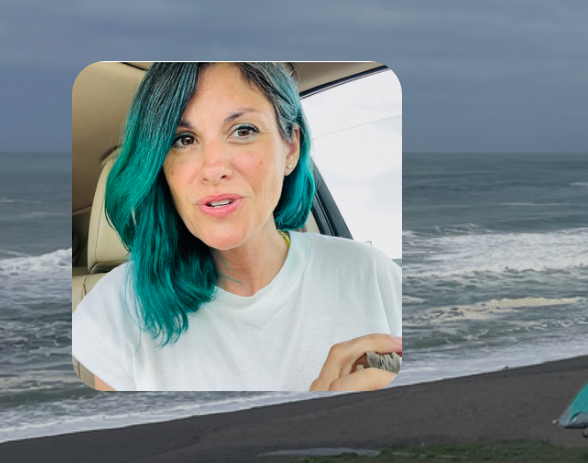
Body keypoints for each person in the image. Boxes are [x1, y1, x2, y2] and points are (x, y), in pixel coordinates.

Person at [71, 62, 402, 391]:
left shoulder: (371, 273)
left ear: (291, 148)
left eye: (243, 131)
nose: (213, 168)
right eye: (184, 139)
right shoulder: (115, 310)